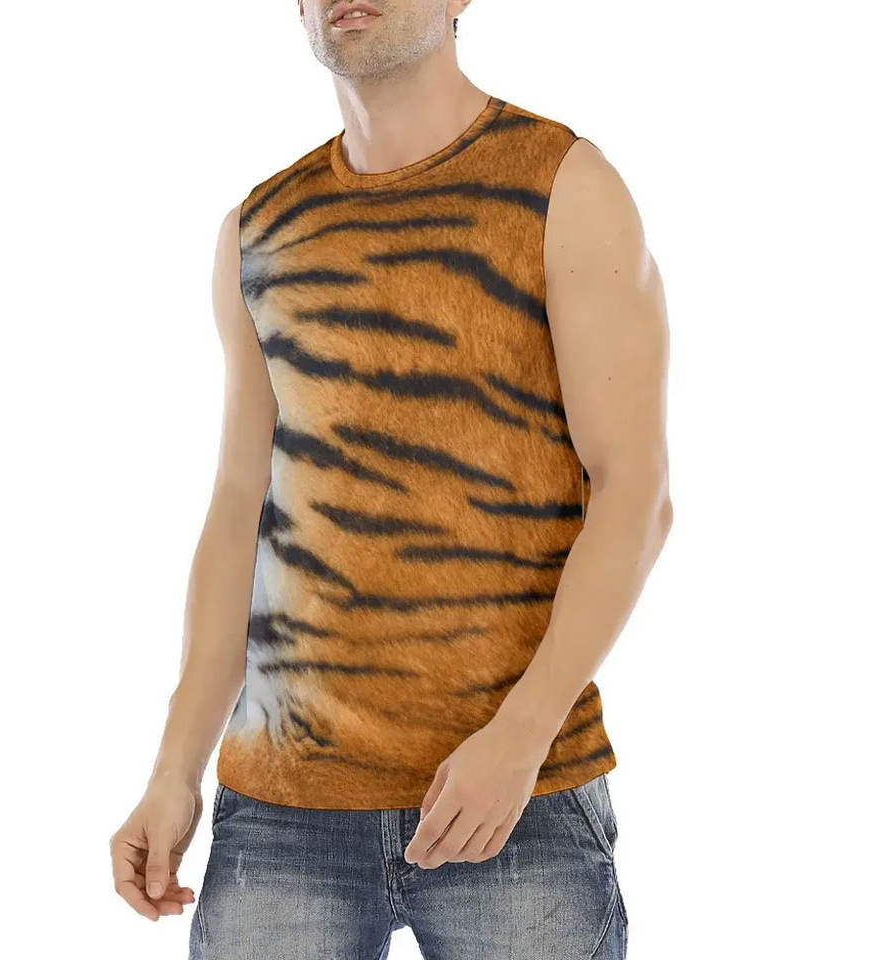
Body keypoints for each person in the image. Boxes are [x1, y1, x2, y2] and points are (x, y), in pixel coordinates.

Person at [109, 2, 672, 957]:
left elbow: (635, 495)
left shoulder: (564, 185)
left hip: (514, 798)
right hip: (282, 809)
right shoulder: (261, 229)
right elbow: (242, 511)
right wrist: (174, 772)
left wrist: (521, 737)